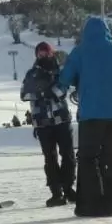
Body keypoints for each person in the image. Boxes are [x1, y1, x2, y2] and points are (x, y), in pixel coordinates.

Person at [59, 16, 112, 218]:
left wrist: (76, 84)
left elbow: (65, 78)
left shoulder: (80, 51)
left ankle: (91, 205)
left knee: (89, 158)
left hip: (91, 114)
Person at [21, 41, 76, 207]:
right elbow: (24, 94)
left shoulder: (60, 72)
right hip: (43, 123)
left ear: (52, 53)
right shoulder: (32, 74)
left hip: (62, 120)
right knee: (50, 158)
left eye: (46, 52)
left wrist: (50, 91)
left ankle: (68, 188)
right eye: (40, 53)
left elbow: (63, 90)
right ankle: (55, 192)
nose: (43, 56)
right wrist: (40, 92)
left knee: (68, 155)